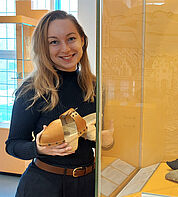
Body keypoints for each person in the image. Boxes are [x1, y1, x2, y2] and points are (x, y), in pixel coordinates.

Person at [5, 10, 113, 197]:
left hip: (88, 184)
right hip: (44, 186)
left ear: (82, 41)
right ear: (43, 48)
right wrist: (37, 147)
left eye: (71, 38)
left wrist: (108, 142)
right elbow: (13, 145)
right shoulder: (31, 89)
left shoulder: (96, 87)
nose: (65, 48)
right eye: (54, 42)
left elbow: (102, 140)